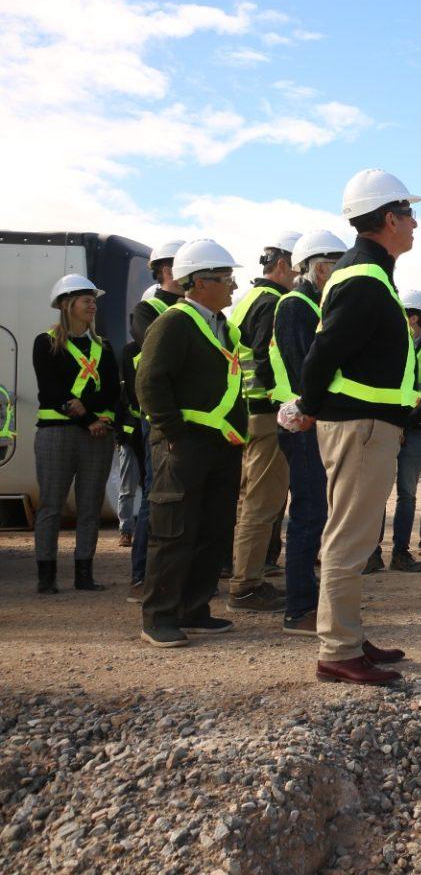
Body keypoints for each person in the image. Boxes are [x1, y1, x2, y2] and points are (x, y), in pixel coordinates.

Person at [293, 168, 419, 683]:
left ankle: (346, 634)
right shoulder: (364, 279)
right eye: (409, 214)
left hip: (368, 425)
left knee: (356, 535)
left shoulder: (369, 274)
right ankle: (339, 650)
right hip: (360, 427)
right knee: (348, 538)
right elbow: (324, 353)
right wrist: (309, 404)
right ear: (388, 219)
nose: (415, 223)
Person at [135, 239, 248, 646]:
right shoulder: (174, 323)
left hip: (220, 445)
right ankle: (159, 616)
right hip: (183, 444)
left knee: (213, 530)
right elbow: (149, 382)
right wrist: (173, 435)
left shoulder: (224, 327)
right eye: (226, 278)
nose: (233, 287)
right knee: (174, 530)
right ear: (200, 282)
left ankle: (194, 608)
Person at [269, 229, 347, 636]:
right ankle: (298, 607)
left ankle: (308, 598)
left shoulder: (310, 306)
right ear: (320, 268)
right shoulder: (296, 307)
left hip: (309, 422)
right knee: (307, 514)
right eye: (336, 266)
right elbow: (306, 370)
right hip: (301, 424)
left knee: (316, 512)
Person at [225, 232, 300, 612]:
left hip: (246, 411)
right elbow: (267, 356)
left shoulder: (247, 300)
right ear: (284, 265)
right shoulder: (273, 302)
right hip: (268, 413)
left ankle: (245, 577)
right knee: (262, 502)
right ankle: (246, 585)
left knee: (250, 500)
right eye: (298, 267)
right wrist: (284, 399)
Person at [32, 274, 119, 594]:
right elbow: (51, 390)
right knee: (51, 505)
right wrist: (88, 420)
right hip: (57, 433)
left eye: (93, 300)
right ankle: (46, 575)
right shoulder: (46, 342)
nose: (93, 305)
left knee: (90, 506)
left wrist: (93, 417)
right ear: (68, 305)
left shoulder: (103, 346)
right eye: (86, 300)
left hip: (97, 434)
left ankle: (84, 573)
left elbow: (111, 390)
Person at [363, 287, 421, 574]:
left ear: (412, 318)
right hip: (390, 426)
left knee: (406, 493)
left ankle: (400, 553)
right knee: (378, 491)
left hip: (417, 429)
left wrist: (406, 422)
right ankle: (371, 554)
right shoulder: (391, 345)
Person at [126, 242, 185, 599]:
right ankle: (141, 576)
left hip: (197, 419)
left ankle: (178, 576)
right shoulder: (147, 310)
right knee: (155, 496)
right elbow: (157, 350)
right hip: (161, 418)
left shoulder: (197, 308)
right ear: (165, 269)